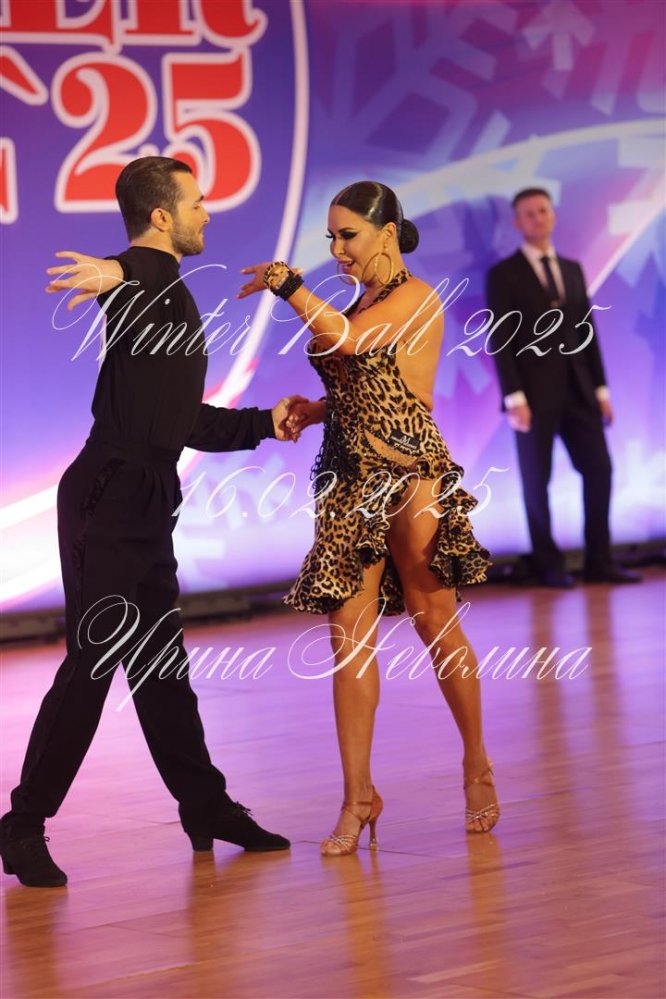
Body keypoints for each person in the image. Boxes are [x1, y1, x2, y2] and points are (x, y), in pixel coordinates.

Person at [0, 156, 298, 888]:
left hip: (146, 497)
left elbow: (182, 420)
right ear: (162, 216)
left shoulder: (172, 295)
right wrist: (115, 271)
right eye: (197, 202)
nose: (207, 213)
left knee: (162, 666)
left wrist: (267, 422)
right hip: (106, 498)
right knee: (94, 663)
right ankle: (23, 823)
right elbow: (130, 276)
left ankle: (205, 805)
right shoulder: (147, 282)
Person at [237, 181, 499, 855]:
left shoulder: (417, 297)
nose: (337, 248)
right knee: (346, 638)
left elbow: (354, 346)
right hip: (347, 477)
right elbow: (363, 379)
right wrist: (314, 410)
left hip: (411, 474)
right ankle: (358, 795)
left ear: (386, 233)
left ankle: (476, 762)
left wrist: (289, 285)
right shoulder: (359, 302)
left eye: (347, 235)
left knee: (432, 617)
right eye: (331, 237)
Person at [485, 188, 641, 588]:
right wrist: (514, 397)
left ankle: (599, 561)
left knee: (600, 469)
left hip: (580, 390)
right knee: (537, 481)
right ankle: (547, 564)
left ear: (552, 214)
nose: (537, 218)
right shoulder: (504, 274)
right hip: (533, 396)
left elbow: (587, 331)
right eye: (528, 214)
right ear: (517, 223)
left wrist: (601, 390)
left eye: (543, 210)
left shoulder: (572, 269)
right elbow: (501, 339)